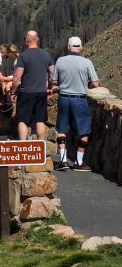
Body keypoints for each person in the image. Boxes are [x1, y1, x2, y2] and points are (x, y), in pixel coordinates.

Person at [53, 36, 101, 171]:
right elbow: (95, 83)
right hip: (80, 99)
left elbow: (54, 81)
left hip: (64, 98)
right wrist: (86, 85)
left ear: (68, 47)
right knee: (83, 130)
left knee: (62, 129)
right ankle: (79, 162)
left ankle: (63, 161)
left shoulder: (60, 61)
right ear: (81, 48)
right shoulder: (87, 62)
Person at [13, 30, 55, 141]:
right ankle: (41, 145)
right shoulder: (46, 55)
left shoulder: (23, 56)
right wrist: (50, 87)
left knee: (23, 120)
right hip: (41, 91)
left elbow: (17, 77)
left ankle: (23, 145)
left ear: (27, 40)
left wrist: (13, 91)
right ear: (37, 40)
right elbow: (52, 74)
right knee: (40, 120)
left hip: (26, 91)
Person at [0, 43, 19, 114]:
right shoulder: (16, 59)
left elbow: (18, 74)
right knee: (4, 80)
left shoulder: (18, 59)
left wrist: (9, 78)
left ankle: (9, 103)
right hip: (16, 77)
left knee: (7, 86)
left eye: (9, 53)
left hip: (19, 78)